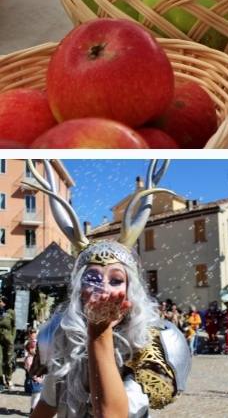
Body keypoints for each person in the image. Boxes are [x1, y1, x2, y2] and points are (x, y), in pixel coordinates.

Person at [26, 158, 190, 417]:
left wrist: (99, 330)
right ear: (79, 289)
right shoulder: (63, 334)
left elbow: (112, 414)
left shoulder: (153, 341)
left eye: (115, 280)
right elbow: (47, 405)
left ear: (130, 289)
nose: (103, 288)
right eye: (92, 278)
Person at [0, 297, 14, 391]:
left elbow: (14, 325)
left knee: (8, 361)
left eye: (0, 301)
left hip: (8, 339)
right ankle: (0, 382)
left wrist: (12, 338)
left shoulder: (11, 312)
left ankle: (8, 379)